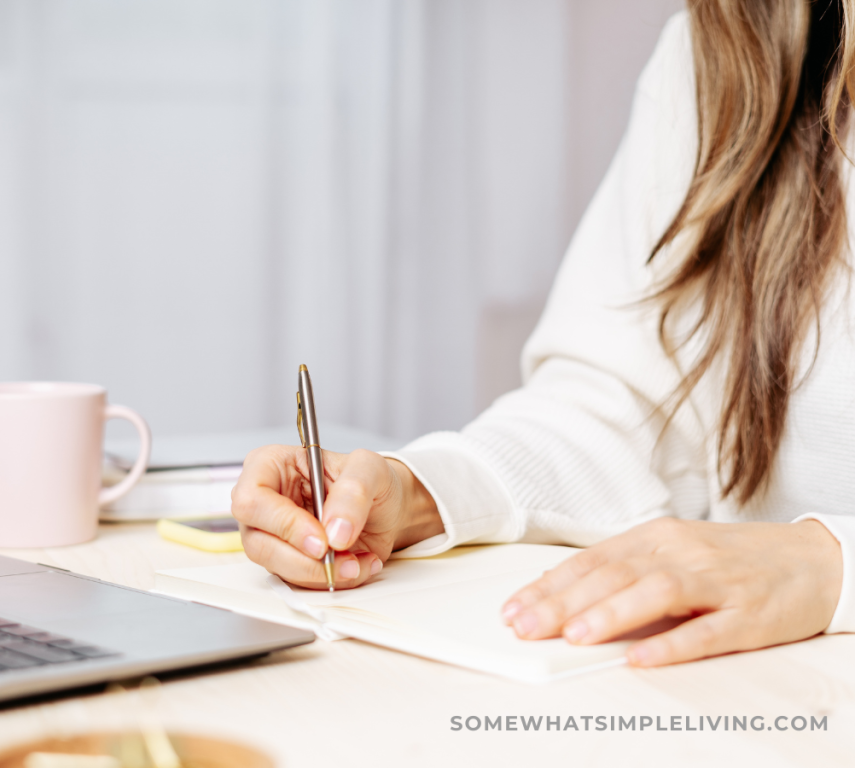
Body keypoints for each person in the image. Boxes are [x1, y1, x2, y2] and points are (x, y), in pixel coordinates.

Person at [230, 1, 855, 668]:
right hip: (744, 688)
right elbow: (622, 406)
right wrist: (422, 493)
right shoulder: (730, 45)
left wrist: (827, 566)